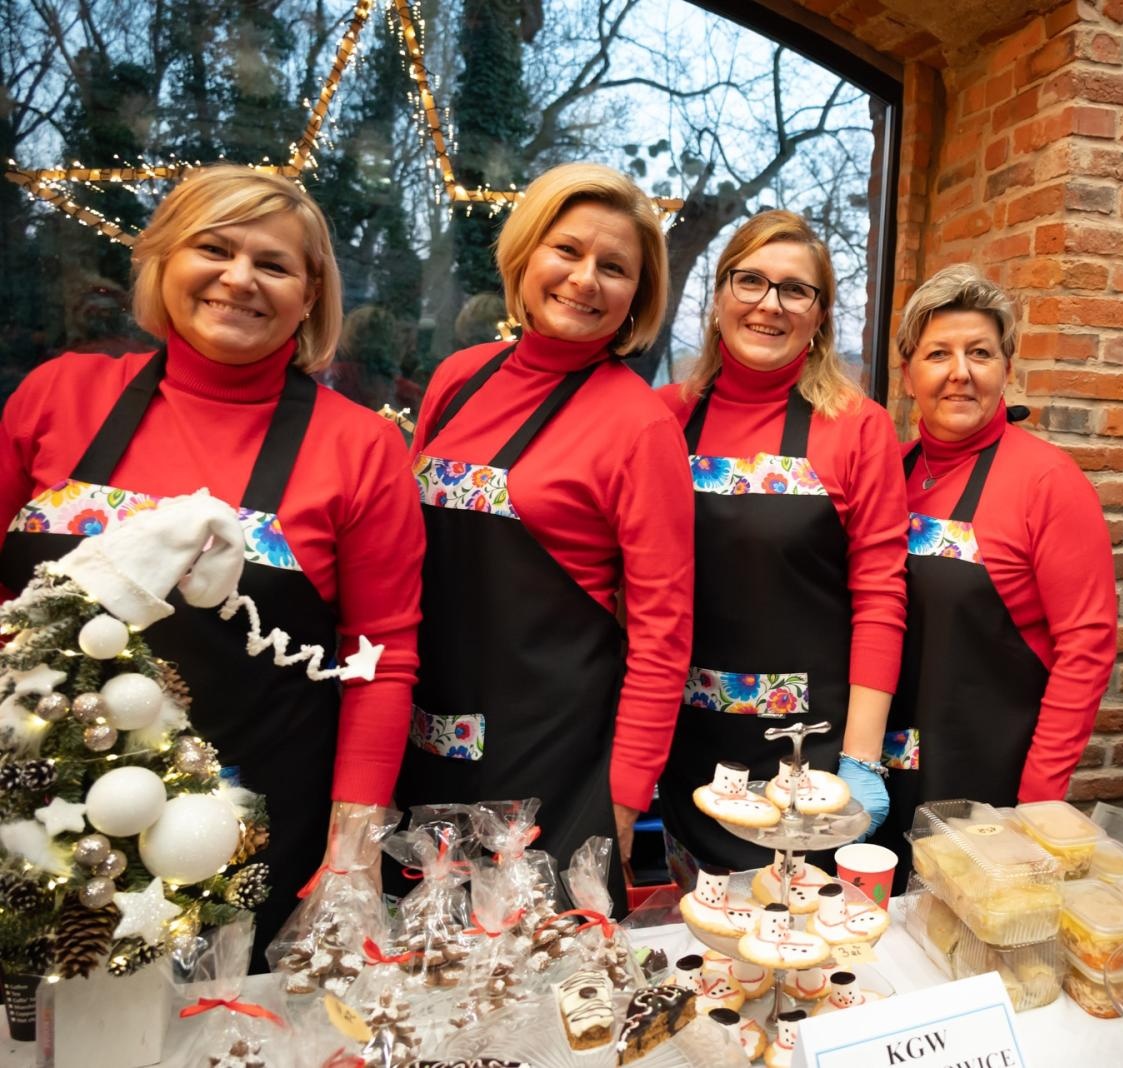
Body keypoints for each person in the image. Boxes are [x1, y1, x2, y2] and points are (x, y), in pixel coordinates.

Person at [0, 165, 424, 964]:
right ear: (164, 262)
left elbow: (383, 657)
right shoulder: (58, 397)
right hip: (34, 827)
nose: (239, 278)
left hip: (252, 845)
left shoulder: (359, 445)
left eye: (273, 264)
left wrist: (353, 852)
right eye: (215, 249)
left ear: (309, 295)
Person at [401, 163, 693, 901]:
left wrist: (624, 796)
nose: (585, 279)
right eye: (567, 250)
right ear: (525, 255)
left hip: (553, 766)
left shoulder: (640, 425)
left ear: (637, 296)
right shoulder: (458, 379)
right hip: (423, 739)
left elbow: (662, 631)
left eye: (614, 267)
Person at [654, 210, 904, 877]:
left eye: (796, 290)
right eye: (751, 281)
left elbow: (880, 600)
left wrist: (860, 759)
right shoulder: (664, 418)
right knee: (701, 927)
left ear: (819, 315)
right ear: (719, 297)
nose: (770, 304)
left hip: (806, 759)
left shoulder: (858, 428)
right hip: (686, 748)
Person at [865, 265, 1115, 887]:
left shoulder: (1048, 482)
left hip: (987, 785)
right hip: (878, 770)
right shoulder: (888, 472)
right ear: (908, 375)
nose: (961, 372)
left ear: (1007, 368)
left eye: (980, 353)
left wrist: (1036, 804)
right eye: (938, 354)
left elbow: (1086, 648)